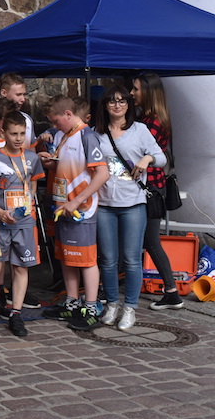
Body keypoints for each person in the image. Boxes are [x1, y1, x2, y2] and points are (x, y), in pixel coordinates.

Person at [96, 86, 166, 331]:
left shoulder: (140, 130)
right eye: (112, 101)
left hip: (133, 202)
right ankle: (112, 304)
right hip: (104, 203)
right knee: (108, 259)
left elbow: (161, 157)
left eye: (122, 101)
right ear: (105, 105)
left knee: (132, 259)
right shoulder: (97, 132)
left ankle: (130, 308)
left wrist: (147, 159)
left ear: (128, 105)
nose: (117, 105)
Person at [39, 95, 109, 331]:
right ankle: (71, 302)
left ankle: (91, 307)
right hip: (63, 208)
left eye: (56, 121)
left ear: (68, 114)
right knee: (66, 257)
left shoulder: (87, 136)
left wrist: (77, 201)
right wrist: (49, 163)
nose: (54, 126)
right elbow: (64, 164)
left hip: (82, 210)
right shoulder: (64, 135)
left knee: (86, 260)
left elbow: (102, 174)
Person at [0, 112, 45, 336]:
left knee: (21, 267)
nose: (18, 138)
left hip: (24, 222)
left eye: (22, 134)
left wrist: (29, 203)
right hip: (0, 222)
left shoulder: (32, 158)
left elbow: (33, 183)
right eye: (13, 134)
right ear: (3, 133)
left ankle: (16, 313)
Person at [131, 73, 184, 310]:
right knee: (148, 240)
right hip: (154, 186)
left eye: (136, 89)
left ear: (148, 92)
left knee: (150, 241)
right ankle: (171, 292)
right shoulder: (155, 118)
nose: (132, 93)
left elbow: (140, 151)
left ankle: (172, 292)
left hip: (149, 187)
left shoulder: (150, 122)